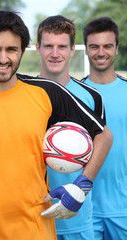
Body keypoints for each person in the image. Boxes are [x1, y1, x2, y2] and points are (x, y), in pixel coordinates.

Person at [0, 11, 113, 240]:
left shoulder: (46, 91)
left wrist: (81, 186)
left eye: (11, 50)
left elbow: (103, 136)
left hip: (35, 231)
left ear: (22, 51)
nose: (3, 58)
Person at [36, 15, 111, 240]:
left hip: (77, 216)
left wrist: (81, 186)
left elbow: (102, 141)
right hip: (34, 217)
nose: (55, 53)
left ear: (72, 50)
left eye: (62, 47)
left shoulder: (91, 96)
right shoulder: (26, 93)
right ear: (37, 48)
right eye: (48, 46)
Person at [82, 16, 127, 240]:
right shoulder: (74, 95)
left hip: (124, 209)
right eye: (94, 46)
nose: (101, 52)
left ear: (117, 48)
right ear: (86, 50)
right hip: (84, 209)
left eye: (107, 46)